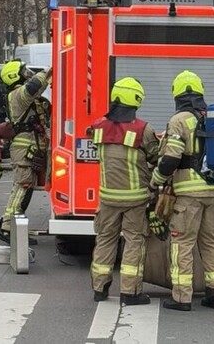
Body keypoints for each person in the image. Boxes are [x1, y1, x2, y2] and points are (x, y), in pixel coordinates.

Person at [150, 70, 214, 311]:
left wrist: (156, 180)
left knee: (181, 243)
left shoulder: (179, 120)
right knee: (212, 242)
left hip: (189, 194)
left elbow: (171, 157)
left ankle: (181, 297)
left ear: (177, 94)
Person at [88, 77, 160, 305]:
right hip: (135, 199)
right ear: (136, 99)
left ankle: (99, 289)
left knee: (105, 240)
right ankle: (130, 292)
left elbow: (91, 135)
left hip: (107, 197)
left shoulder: (98, 126)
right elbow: (155, 156)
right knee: (134, 242)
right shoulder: (144, 129)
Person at [0, 61, 52, 243]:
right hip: (23, 148)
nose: (27, 73)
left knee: (25, 189)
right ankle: (7, 226)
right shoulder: (17, 95)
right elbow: (34, 86)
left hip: (31, 147)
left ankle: (16, 227)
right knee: (22, 187)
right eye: (23, 71)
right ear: (15, 75)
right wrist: (50, 70)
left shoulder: (23, 97)